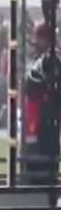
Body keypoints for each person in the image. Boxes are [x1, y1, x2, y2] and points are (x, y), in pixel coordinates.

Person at [23, 22, 61, 187]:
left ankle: (44, 190)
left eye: (38, 38)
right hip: (34, 114)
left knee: (43, 155)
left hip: (45, 116)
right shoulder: (38, 59)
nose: (34, 42)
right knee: (32, 154)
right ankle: (34, 185)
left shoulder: (52, 59)